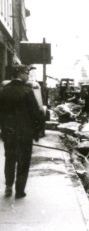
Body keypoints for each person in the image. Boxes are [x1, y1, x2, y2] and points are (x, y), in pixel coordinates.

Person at [0, 65, 44, 198]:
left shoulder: (4, 91)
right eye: (26, 73)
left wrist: (3, 129)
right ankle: (19, 190)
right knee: (23, 161)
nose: (28, 76)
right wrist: (37, 131)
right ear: (19, 74)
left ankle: (8, 186)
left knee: (10, 158)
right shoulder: (27, 90)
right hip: (25, 132)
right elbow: (36, 113)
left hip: (9, 132)